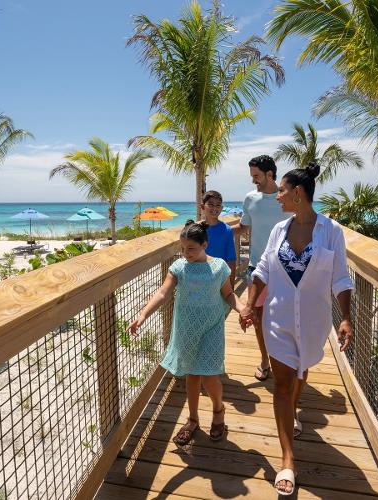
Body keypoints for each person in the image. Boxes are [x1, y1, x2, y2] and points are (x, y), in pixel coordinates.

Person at [240, 163, 354, 496]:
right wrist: (248, 303)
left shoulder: (331, 231)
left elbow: (341, 277)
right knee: (283, 383)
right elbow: (261, 269)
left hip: (314, 323)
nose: (278, 197)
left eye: (282, 191)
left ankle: (291, 413)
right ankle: (287, 460)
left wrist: (345, 317)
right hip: (277, 319)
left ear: (298, 194)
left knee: (300, 375)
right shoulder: (279, 230)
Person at [130, 220, 245, 445]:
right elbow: (163, 293)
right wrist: (143, 314)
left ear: (204, 244)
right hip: (186, 327)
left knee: (210, 375)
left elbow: (229, 295)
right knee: (192, 375)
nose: (186, 253)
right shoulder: (179, 267)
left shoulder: (219, 266)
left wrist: (242, 309)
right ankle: (192, 419)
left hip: (212, 326)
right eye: (182, 249)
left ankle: (218, 410)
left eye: (191, 248)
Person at [231, 155, 289, 382]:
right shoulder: (250, 198)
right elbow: (244, 227)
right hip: (257, 269)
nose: (253, 180)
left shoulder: (287, 198)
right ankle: (265, 361)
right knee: (257, 317)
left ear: (270, 175)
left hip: (285, 269)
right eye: (252, 176)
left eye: (256, 176)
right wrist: (211, 230)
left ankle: (285, 362)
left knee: (284, 319)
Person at [200, 190, 236, 286]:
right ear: (202, 206)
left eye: (218, 205)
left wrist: (231, 288)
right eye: (211, 204)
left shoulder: (227, 230)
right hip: (199, 278)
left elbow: (231, 260)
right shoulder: (197, 229)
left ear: (222, 208)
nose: (214, 208)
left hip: (219, 280)